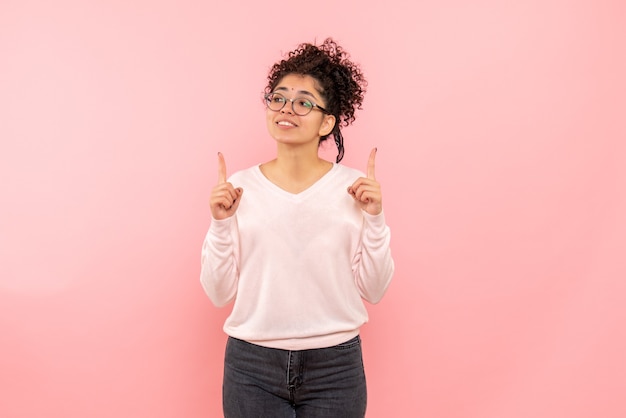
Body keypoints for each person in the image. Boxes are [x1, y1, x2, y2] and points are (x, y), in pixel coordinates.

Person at [200, 37, 394, 418]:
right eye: (279, 98)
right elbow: (218, 293)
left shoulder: (354, 190)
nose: (287, 109)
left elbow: (375, 289)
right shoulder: (239, 188)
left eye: (304, 102)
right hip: (251, 366)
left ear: (327, 121)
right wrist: (220, 225)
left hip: (335, 367)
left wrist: (374, 218)